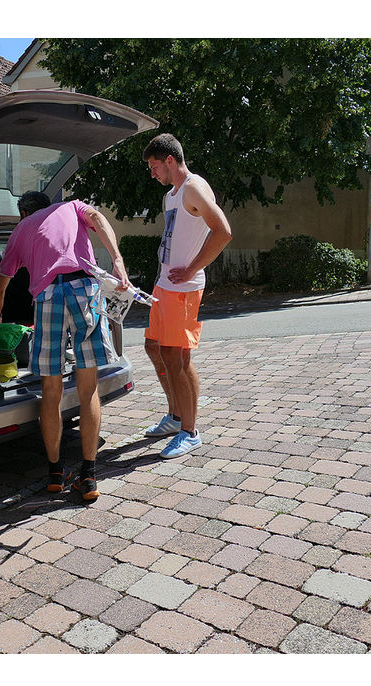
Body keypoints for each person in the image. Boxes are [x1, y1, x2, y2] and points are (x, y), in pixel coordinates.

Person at [0, 191, 129, 502]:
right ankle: (89, 476)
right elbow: (97, 218)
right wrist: (117, 261)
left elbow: (2, 284)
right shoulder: (72, 207)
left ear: (24, 213)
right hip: (85, 290)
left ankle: (55, 474)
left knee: (50, 390)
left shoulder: (21, 230)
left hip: (48, 297)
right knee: (88, 387)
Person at [141, 133, 232, 459]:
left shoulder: (193, 186)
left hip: (183, 290)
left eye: (154, 166)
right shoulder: (172, 195)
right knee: (154, 348)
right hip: (164, 286)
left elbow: (223, 232)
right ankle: (176, 415)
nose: (152, 173)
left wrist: (193, 268)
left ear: (169, 160)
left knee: (178, 360)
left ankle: (190, 432)